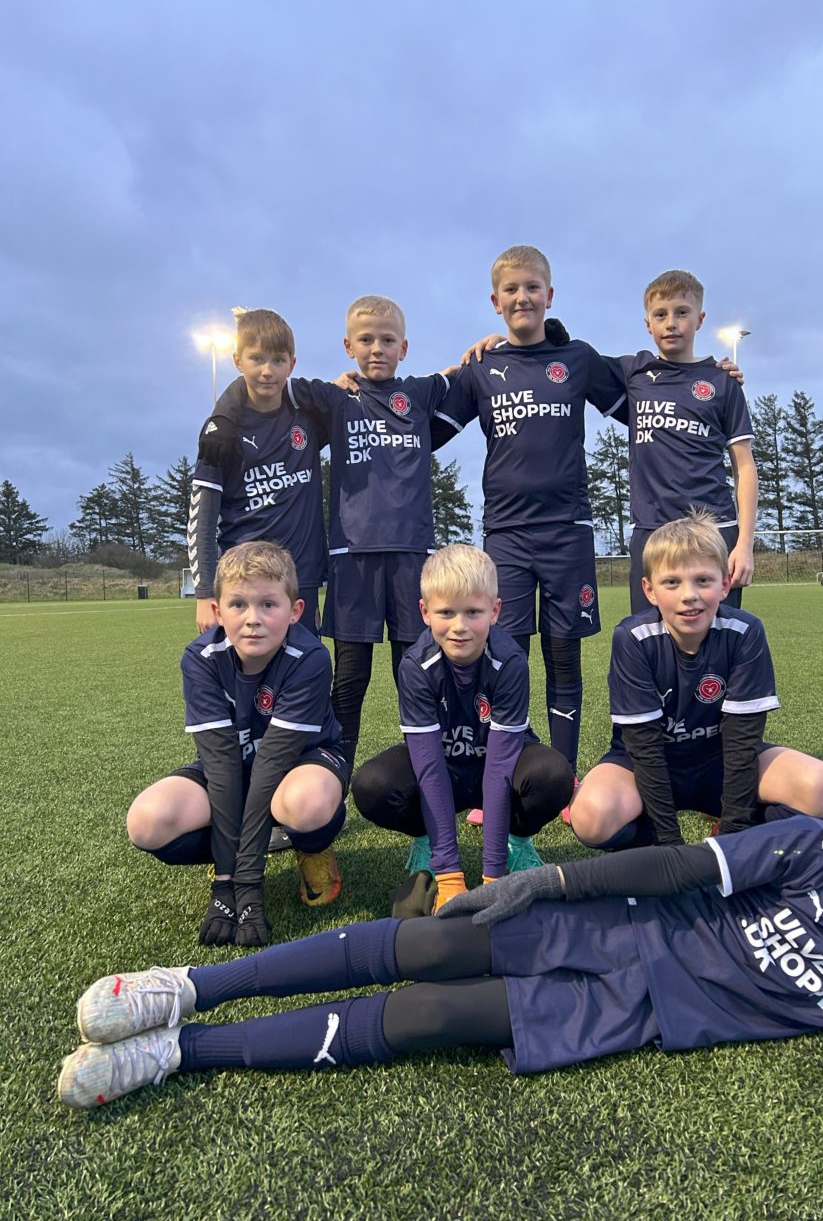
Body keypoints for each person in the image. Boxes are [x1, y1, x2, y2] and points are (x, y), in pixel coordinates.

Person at [58, 756, 823, 1108]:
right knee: (433, 942)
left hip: (646, 1013)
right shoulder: (814, 846)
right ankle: (188, 986)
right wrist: (548, 881)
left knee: (428, 1016)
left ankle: (180, 1052)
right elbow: (674, 868)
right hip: (624, 927)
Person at [211, 295, 452, 773]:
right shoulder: (332, 397)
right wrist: (220, 417)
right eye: (366, 340)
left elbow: (469, 375)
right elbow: (261, 375)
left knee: (414, 674)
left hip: (412, 556)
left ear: (404, 348)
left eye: (387, 340)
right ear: (348, 346)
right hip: (351, 557)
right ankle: (334, 776)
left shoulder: (420, 392)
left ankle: (430, 780)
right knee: (350, 680)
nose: (377, 348)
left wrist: (491, 344)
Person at [431, 246, 625, 786]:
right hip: (507, 535)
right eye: (512, 290)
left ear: (550, 295)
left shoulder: (578, 358)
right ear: (495, 301)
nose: (523, 297)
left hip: (568, 532)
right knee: (505, 660)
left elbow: (642, 395)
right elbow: (425, 431)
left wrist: (709, 375)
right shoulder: (481, 368)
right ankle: (508, 772)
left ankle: (562, 778)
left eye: (532, 287)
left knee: (563, 659)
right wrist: (362, 399)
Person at [569, 511, 823, 849]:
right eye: (672, 582)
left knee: (822, 788)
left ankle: (739, 831)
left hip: (719, 762)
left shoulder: (745, 632)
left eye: (703, 580)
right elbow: (645, 749)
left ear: (724, 584)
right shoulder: (633, 638)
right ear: (649, 590)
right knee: (592, 817)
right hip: (643, 767)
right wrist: (671, 847)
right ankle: (649, 841)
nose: (689, 594)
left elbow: (742, 743)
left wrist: (731, 840)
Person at [125, 541, 350, 946]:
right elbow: (223, 768)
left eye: (268, 604)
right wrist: (225, 883)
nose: (253, 619)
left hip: (297, 769)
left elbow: (271, 768)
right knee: (147, 821)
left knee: (305, 803)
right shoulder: (201, 659)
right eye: (238, 605)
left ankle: (313, 848)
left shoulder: (310, 658)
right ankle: (225, 859)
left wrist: (247, 884)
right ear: (217, 612)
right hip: (233, 773)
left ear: (295, 611)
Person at [352, 545, 574, 912]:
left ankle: (516, 842)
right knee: (372, 784)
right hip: (444, 768)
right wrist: (450, 876)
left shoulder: (510, 662)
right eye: (446, 612)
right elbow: (429, 768)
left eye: (473, 612)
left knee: (554, 774)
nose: (459, 626)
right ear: (425, 612)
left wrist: (493, 879)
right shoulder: (415, 667)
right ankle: (429, 841)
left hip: (499, 766)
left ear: (495, 611)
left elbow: (500, 767)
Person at [616, 269, 757, 613]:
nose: (671, 323)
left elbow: (744, 466)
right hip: (651, 530)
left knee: (717, 636)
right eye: (660, 315)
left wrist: (745, 544)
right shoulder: (633, 373)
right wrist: (505, 343)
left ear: (700, 319)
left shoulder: (721, 382)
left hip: (713, 530)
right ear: (647, 324)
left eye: (682, 312)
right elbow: (567, 360)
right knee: (649, 636)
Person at [189, 308, 327, 636]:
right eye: (257, 359)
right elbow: (202, 518)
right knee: (248, 666)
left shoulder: (308, 419)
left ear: (292, 364)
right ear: (238, 361)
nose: (267, 371)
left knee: (306, 664)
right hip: (244, 581)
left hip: (301, 578)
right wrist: (204, 593)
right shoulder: (221, 434)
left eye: (278, 360)